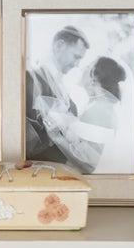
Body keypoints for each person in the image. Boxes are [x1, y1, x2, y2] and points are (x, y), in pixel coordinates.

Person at [42, 56, 127, 174]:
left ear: (93, 78)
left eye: (88, 67)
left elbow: (88, 164)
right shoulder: (98, 105)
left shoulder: (100, 110)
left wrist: (56, 136)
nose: (82, 69)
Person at [26, 25, 89, 163]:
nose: (77, 65)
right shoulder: (29, 80)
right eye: (76, 57)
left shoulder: (63, 88)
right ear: (59, 46)